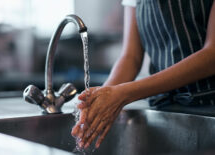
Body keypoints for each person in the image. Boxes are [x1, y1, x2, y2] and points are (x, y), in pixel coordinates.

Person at [71, 0, 215, 149]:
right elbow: (131, 57)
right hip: (164, 111)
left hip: (209, 109)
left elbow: (212, 56)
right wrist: (102, 100)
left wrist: (125, 93)